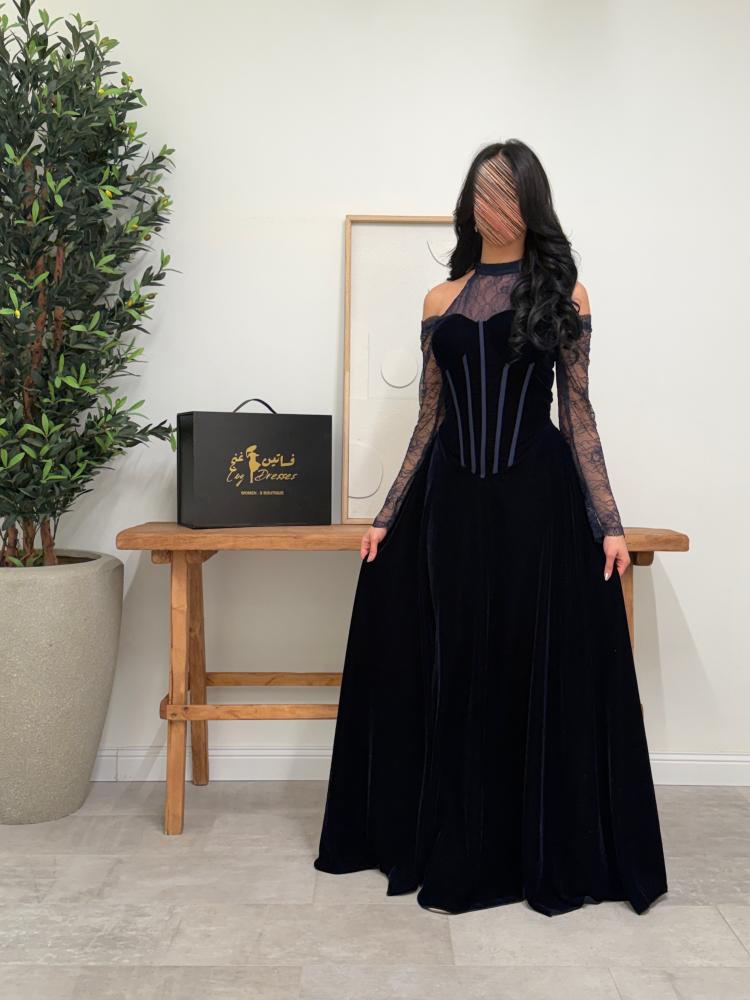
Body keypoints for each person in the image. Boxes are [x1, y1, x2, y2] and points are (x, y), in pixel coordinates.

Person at [314, 139, 668, 918]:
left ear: (530, 204)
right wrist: (387, 515)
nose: (493, 207)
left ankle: (525, 845)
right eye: (482, 192)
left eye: (507, 193)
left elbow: (577, 413)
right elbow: (428, 420)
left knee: (522, 663)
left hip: (536, 506)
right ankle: (454, 834)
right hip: (451, 505)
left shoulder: (564, 292)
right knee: (455, 661)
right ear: (469, 203)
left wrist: (609, 522)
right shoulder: (440, 299)